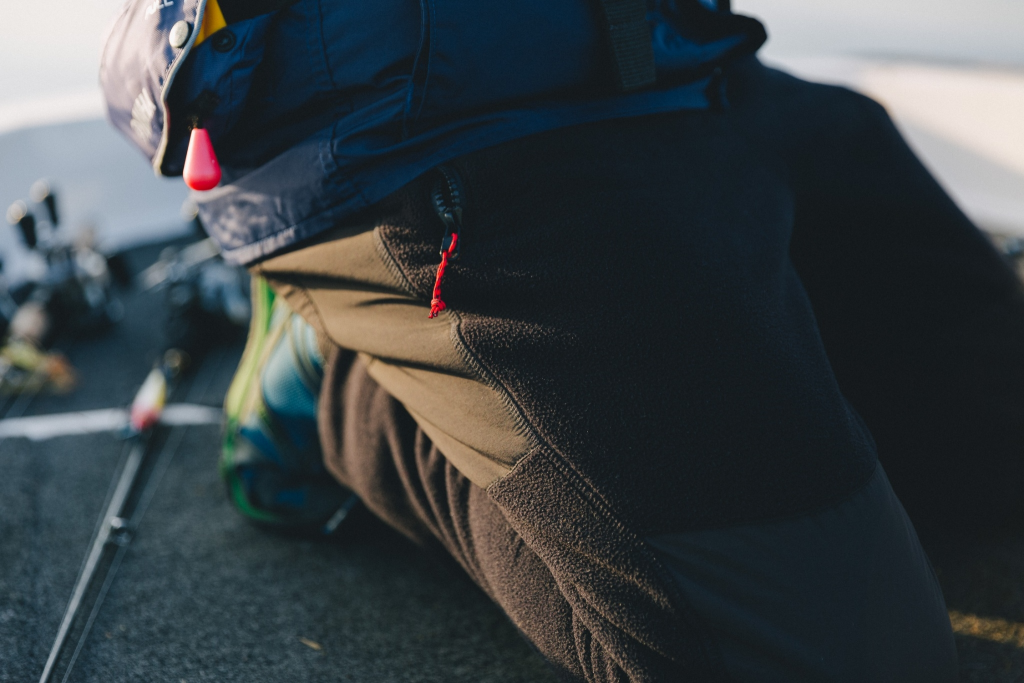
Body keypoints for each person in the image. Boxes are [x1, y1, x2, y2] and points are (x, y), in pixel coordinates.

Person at [101, 0, 1024, 679]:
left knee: (985, 444)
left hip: (666, 57)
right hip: (414, 126)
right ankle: (343, 382)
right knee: (838, 659)